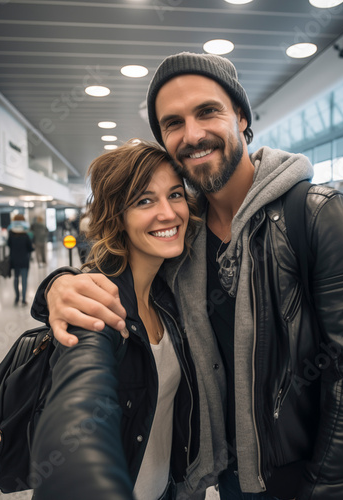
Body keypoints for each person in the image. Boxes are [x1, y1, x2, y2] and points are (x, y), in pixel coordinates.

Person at [32, 53, 343, 500]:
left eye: (207, 111)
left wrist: (326, 489)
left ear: (241, 117)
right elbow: (119, 265)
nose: (193, 134)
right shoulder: (183, 231)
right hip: (225, 475)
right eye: (173, 123)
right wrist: (57, 285)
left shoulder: (318, 215)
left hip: (301, 480)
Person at [31, 140, 200, 500]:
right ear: (117, 216)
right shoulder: (98, 307)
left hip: (170, 488)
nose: (169, 213)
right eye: (144, 200)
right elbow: (74, 411)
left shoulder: (170, 290)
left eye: (175, 194)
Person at [7, 214, 33, 305]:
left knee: (16, 278)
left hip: (14, 259)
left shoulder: (11, 235)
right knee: (24, 279)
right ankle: (24, 299)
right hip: (24, 260)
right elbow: (30, 248)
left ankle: (17, 297)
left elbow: (9, 245)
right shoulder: (26, 235)